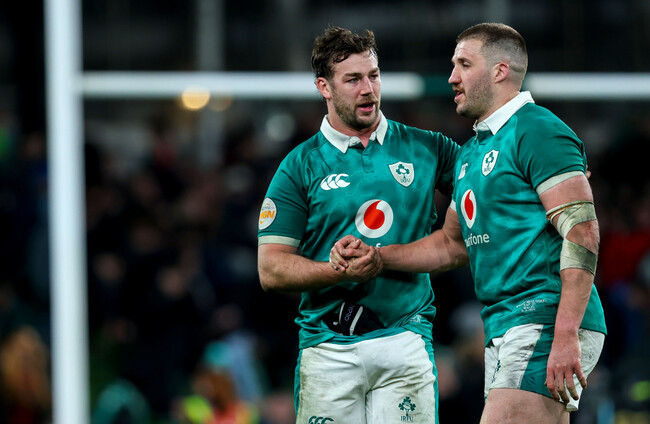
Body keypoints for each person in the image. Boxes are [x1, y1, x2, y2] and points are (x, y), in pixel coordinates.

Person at [330, 23, 607, 424]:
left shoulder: (537, 129)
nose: (452, 77)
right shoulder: (471, 152)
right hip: (504, 324)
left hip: (544, 317)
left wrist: (565, 334)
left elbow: (582, 230)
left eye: (464, 64)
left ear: (499, 71)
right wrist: (377, 256)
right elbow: (451, 244)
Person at [256, 26, 460, 423]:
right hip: (328, 346)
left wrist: (547, 173)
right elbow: (271, 269)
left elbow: (492, 183)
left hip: (404, 337)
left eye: (374, 75)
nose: (368, 89)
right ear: (324, 87)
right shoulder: (299, 166)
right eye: (352, 79)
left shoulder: (428, 148)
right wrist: (337, 270)